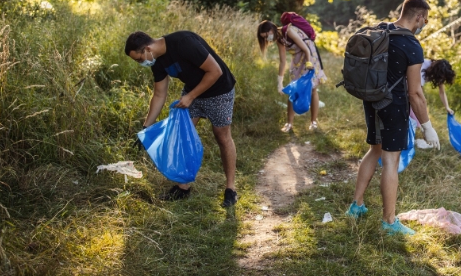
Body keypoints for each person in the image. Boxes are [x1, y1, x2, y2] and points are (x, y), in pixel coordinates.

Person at [345, 0, 441, 236]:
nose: (424, 23)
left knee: (374, 150)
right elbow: (415, 93)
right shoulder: (412, 45)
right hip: (394, 107)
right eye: (425, 19)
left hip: (372, 100)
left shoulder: (380, 29)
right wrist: (427, 126)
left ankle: (356, 206)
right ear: (418, 17)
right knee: (390, 161)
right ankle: (389, 222)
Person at [125, 30, 239, 208]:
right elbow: (159, 95)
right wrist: (146, 127)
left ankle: (230, 189)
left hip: (219, 90)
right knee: (181, 136)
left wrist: (191, 96)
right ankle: (182, 188)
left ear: (147, 48)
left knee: (222, 137)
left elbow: (215, 71)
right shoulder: (157, 62)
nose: (141, 63)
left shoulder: (184, 42)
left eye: (139, 59)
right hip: (193, 92)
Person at [257, 18, 326, 132]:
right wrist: (280, 83)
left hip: (309, 55)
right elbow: (282, 62)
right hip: (298, 59)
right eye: (264, 38)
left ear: (271, 30)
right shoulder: (279, 39)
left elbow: (306, 49)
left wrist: (309, 63)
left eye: (265, 36)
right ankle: (289, 124)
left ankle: (313, 122)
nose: (266, 39)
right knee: (293, 89)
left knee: (312, 88)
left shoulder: (288, 31)